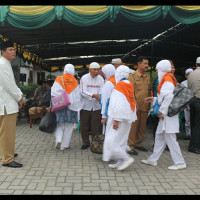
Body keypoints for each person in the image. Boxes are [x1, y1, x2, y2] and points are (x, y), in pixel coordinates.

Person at [141, 60, 186, 170]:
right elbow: (165, 97)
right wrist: (154, 99)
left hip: (167, 115)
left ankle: (180, 162)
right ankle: (153, 159)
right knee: (159, 136)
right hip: (167, 115)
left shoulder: (167, 80)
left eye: (157, 69)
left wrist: (162, 111)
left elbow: (169, 97)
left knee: (170, 138)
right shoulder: (169, 78)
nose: (157, 71)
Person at [102, 65, 137, 171]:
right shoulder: (128, 84)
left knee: (111, 141)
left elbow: (118, 104)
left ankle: (126, 159)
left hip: (119, 118)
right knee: (121, 141)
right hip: (126, 118)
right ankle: (120, 161)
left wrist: (116, 120)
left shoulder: (119, 87)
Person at [0, 40, 23, 168]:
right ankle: (7, 159)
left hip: (5, 103)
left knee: (3, 132)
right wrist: (19, 97)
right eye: (10, 49)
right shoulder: (3, 64)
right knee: (7, 133)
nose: (13, 51)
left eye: (14, 49)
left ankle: (5, 153)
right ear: (3, 52)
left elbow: (12, 84)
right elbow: (9, 86)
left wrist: (19, 95)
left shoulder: (5, 63)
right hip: (6, 104)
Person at [51, 64, 83, 151]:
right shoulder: (75, 81)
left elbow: (53, 93)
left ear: (65, 70)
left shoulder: (58, 79)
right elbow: (78, 97)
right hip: (72, 107)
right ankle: (64, 145)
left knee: (60, 124)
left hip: (60, 106)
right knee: (69, 127)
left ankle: (58, 139)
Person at [127, 56, 152, 155]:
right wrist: (134, 104)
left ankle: (138, 143)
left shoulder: (148, 77)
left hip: (145, 106)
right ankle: (130, 146)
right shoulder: (132, 76)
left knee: (142, 127)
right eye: (145, 63)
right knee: (133, 127)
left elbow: (149, 91)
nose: (147, 65)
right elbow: (130, 92)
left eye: (147, 64)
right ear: (139, 64)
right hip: (135, 106)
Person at [80, 62, 104, 150]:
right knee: (84, 125)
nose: (96, 71)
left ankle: (95, 143)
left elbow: (102, 90)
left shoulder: (101, 79)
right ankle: (85, 142)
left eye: (98, 70)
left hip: (97, 106)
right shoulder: (84, 78)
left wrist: (99, 95)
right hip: (85, 105)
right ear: (90, 70)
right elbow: (82, 91)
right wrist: (93, 95)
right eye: (94, 69)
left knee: (96, 125)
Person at [187, 57, 200, 154]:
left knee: (193, 124)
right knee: (198, 125)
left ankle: (193, 144)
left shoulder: (191, 74)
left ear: (196, 64)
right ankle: (194, 146)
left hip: (192, 101)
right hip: (199, 100)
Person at [181, 68, 193, 140]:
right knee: (188, 121)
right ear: (186, 75)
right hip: (187, 105)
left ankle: (194, 135)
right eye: (189, 74)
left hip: (195, 104)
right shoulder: (183, 83)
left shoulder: (196, 81)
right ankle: (188, 134)